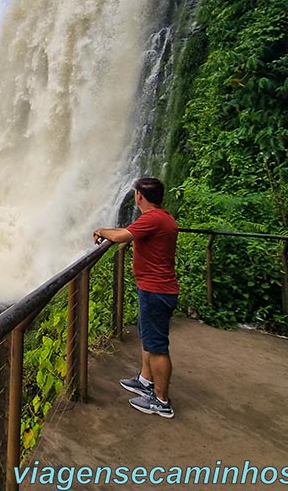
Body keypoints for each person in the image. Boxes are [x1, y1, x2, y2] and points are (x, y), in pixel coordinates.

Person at [93, 177, 178, 418]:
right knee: (148, 336)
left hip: (156, 291)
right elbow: (127, 231)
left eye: (136, 193)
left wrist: (101, 230)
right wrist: (108, 231)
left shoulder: (152, 219)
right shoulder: (162, 217)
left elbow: (122, 236)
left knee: (158, 346)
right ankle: (145, 380)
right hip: (155, 289)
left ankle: (161, 401)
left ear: (139, 196)